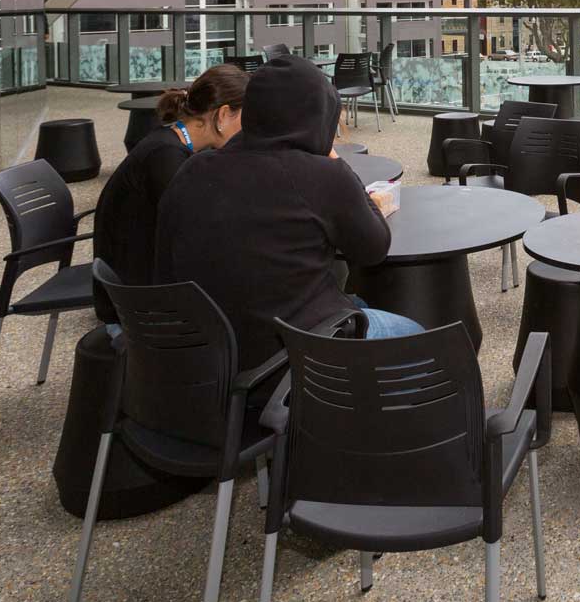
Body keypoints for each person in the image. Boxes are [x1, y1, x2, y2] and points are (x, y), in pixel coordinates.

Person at [155, 54, 422, 373]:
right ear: (321, 115)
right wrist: (334, 159)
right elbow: (374, 248)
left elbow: (166, 267)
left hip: (204, 354)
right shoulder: (322, 176)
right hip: (292, 351)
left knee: (358, 306)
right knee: (416, 336)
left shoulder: (192, 169)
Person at [92, 63, 246, 291]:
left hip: (134, 277)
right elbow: (196, 230)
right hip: (136, 300)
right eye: (245, 117)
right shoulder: (165, 157)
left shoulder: (169, 140)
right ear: (223, 115)